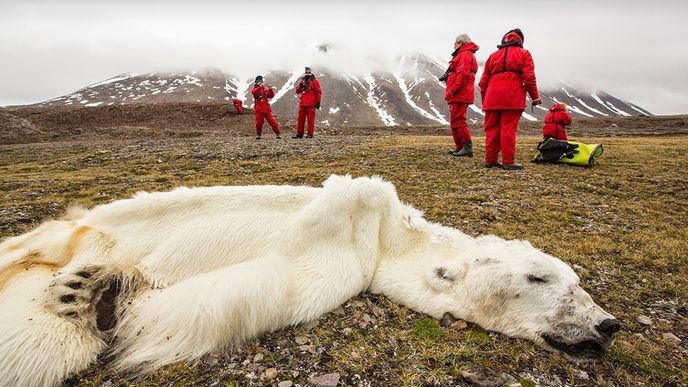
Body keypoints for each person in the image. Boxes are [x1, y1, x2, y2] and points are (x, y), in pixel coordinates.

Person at [479, 28, 542, 169]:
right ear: (520, 40)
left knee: (491, 130)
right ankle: (508, 162)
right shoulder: (524, 54)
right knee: (508, 130)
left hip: (492, 98)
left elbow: (483, 83)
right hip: (512, 97)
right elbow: (529, 77)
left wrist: (485, 101)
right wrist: (535, 97)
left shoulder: (492, 56)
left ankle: (490, 160)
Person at [443, 34, 479, 157]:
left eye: (455, 43)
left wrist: (453, 89)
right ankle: (460, 147)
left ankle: (466, 147)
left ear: (461, 43)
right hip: (458, 94)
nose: (454, 45)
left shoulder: (465, 55)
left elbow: (462, 74)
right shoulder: (465, 54)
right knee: (455, 121)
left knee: (458, 121)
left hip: (459, 94)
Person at [294, 66, 322, 139]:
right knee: (300, 119)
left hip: (311, 104)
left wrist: (318, 102)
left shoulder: (315, 81)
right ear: (305, 73)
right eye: (306, 72)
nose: (308, 74)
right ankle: (299, 134)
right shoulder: (302, 81)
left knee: (310, 120)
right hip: (303, 103)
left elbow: (318, 92)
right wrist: (300, 86)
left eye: (309, 72)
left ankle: (310, 134)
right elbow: (297, 91)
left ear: (311, 73)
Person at [251, 75, 281, 140]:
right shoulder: (255, 89)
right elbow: (254, 92)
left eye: (260, 81)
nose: (259, 82)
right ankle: (259, 135)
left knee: (272, 122)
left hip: (267, 109)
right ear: (256, 82)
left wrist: (270, 90)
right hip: (259, 110)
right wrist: (259, 87)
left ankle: (278, 133)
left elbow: (271, 95)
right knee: (259, 123)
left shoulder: (265, 90)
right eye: (258, 81)